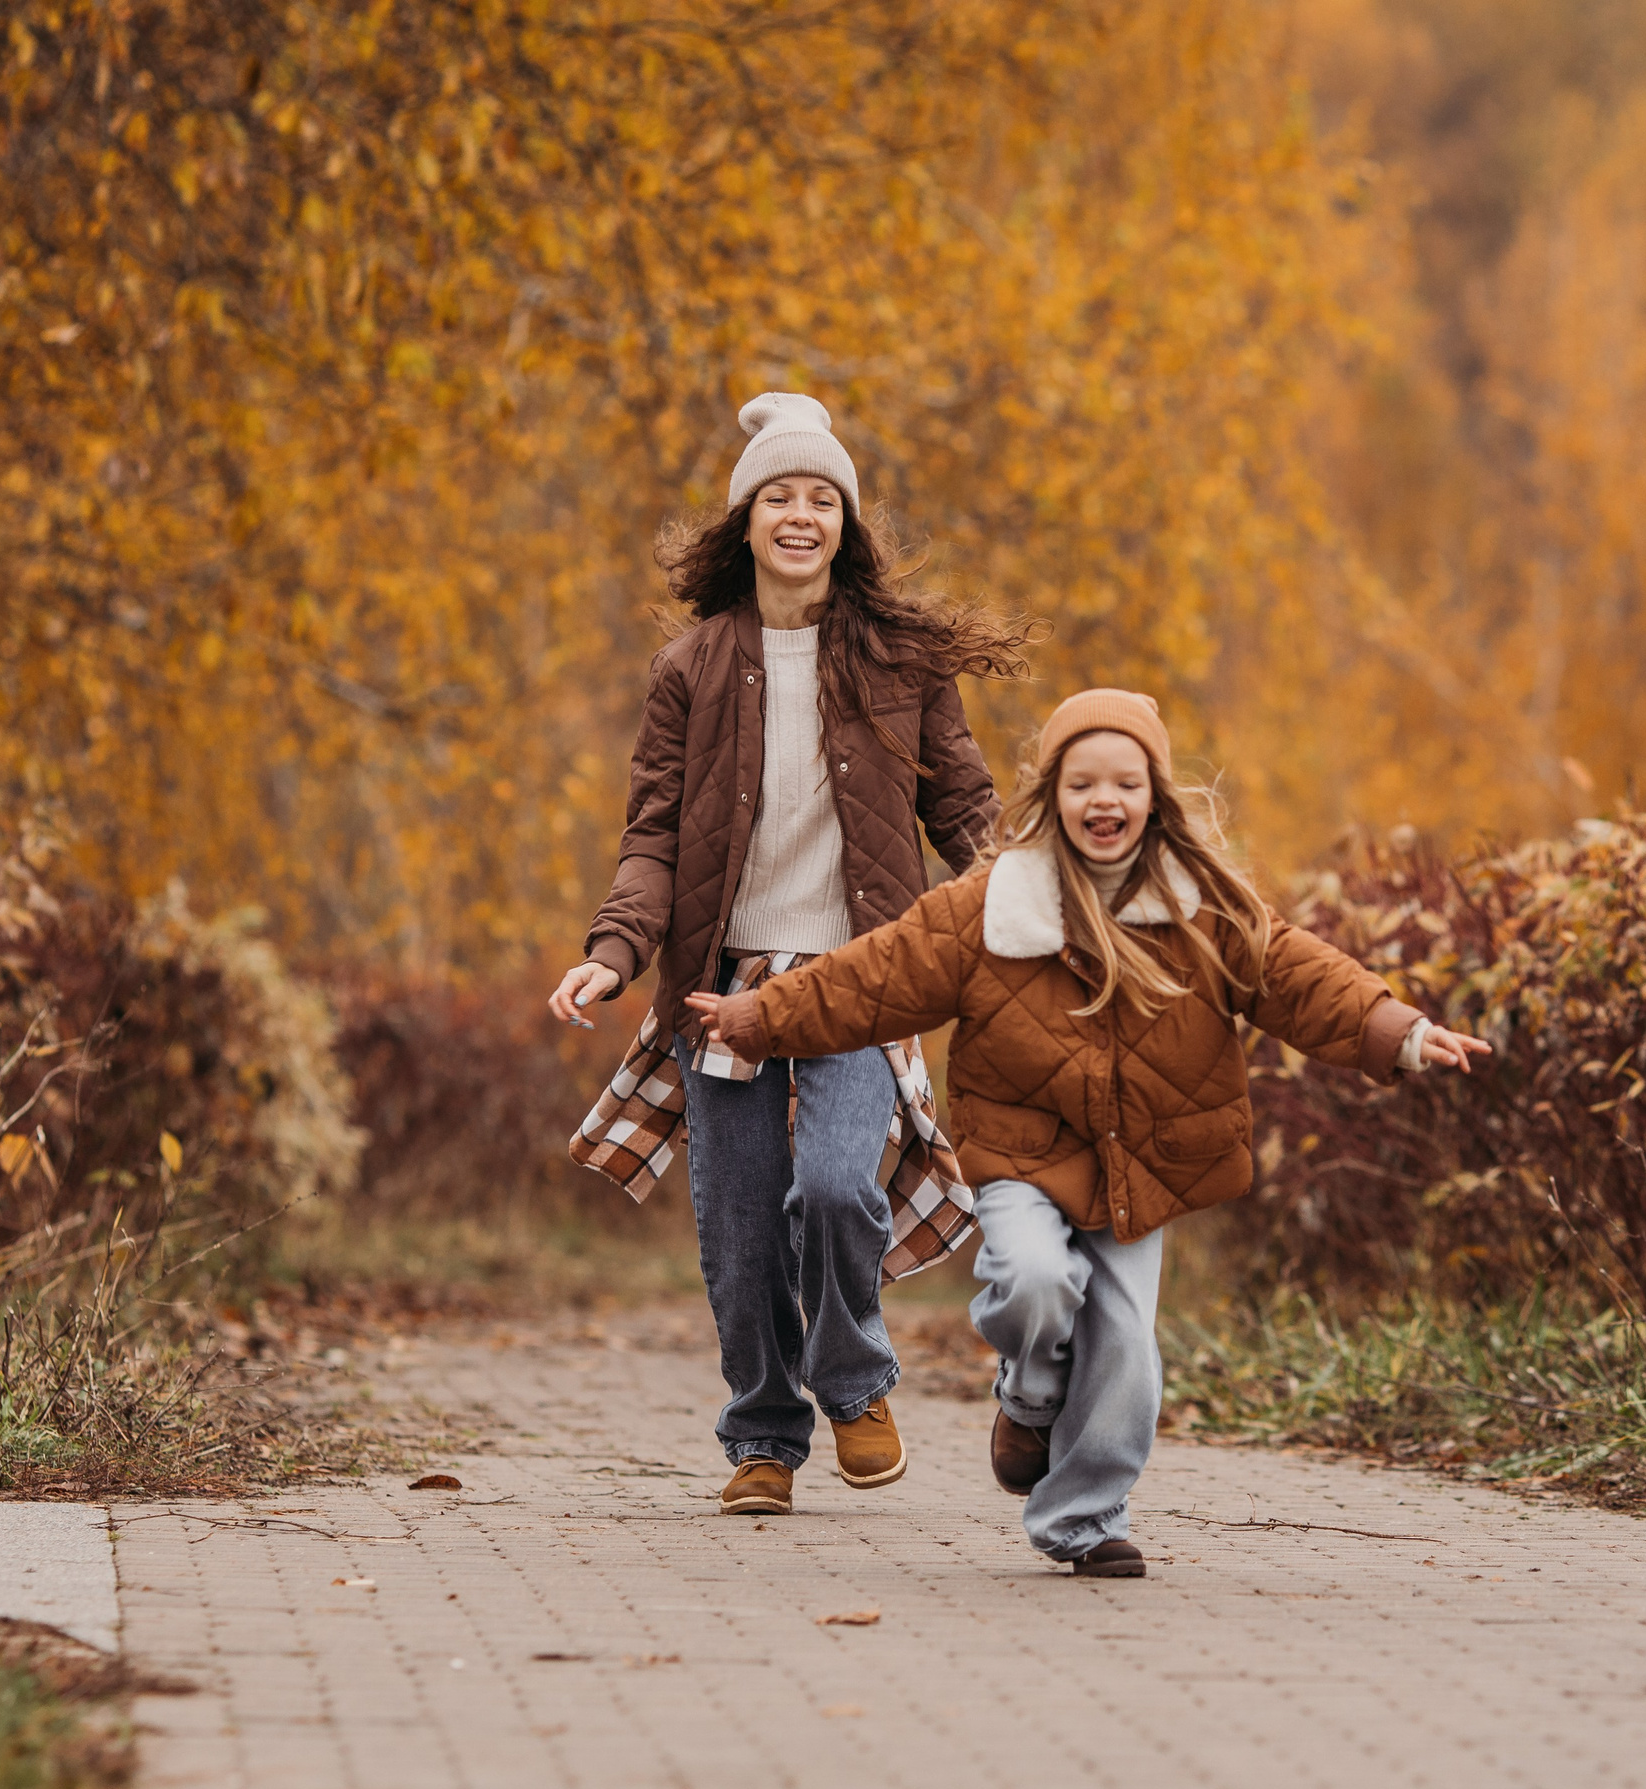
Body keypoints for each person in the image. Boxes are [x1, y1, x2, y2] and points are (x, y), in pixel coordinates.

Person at [686, 688, 1491, 1573]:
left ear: (1154, 797)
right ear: (1052, 797)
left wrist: (1400, 1031)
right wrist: (758, 1016)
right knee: (1032, 1281)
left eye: (1125, 782)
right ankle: (1028, 1398)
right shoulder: (993, 907)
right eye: (1082, 783)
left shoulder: (1203, 907)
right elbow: (871, 979)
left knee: (1126, 1358)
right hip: (1025, 1156)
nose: (1103, 800)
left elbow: (1297, 977)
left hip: (1146, 1162)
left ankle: (1084, 1520)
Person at [557, 393, 1033, 1517]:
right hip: (723, 987)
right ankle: (762, 1435)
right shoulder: (692, 667)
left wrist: (1028, 902)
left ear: (846, 524)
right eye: (781, 495)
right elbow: (654, 837)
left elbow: (963, 805)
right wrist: (615, 951)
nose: (802, 514)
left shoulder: (902, 661)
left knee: (831, 1187)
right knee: (736, 1222)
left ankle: (854, 1379)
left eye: (822, 497)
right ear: (747, 519)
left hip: (860, 977)